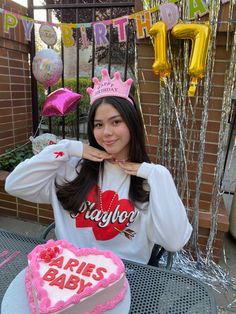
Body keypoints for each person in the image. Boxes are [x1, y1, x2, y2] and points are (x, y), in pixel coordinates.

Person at [5, 68, 192, 264]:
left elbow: (174, 241)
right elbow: (13, 184)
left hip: (125, 282)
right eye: (99, 125)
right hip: (68, 276)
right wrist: (68, 148)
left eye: (116, 122)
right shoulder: (71, 168)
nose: (107, 133)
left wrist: (158, 174)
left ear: (132, 124)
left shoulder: (149, 180)